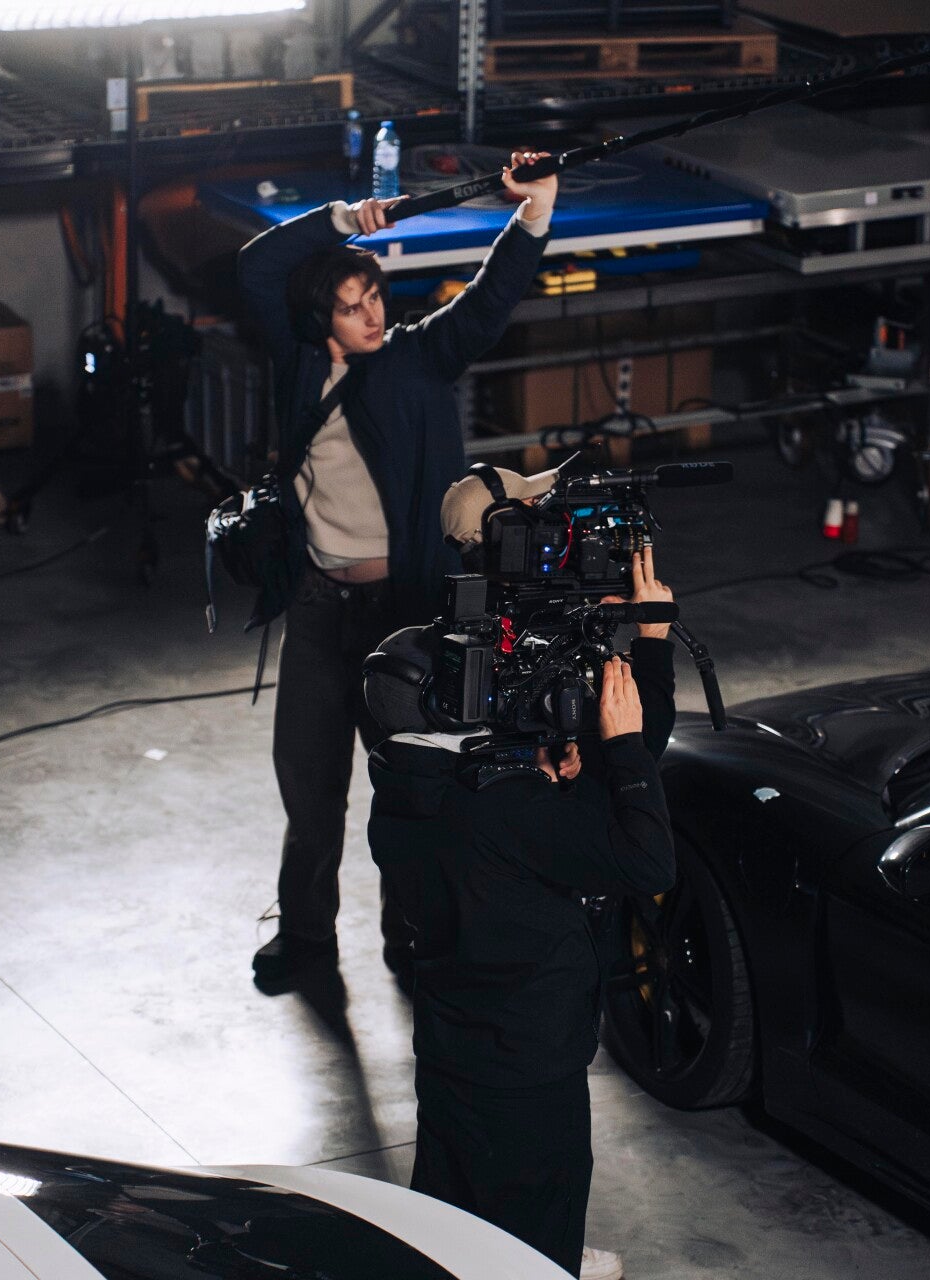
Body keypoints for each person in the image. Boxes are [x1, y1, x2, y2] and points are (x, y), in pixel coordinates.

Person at [236, 152, 559, 986]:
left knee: (413, 788)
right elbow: (258, 265)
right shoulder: (298, 365)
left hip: (405, 614)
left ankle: (411, 936)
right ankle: (306, 936)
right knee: (311, 792)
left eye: (373, 296)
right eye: (349, 307)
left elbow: (487, 301)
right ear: (320, 320)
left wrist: (532, 213)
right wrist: (346, 219)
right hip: (318, 607)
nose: (370, 315)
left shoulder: (417, 359)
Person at [364, 547, 679, 1280]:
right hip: (529, 1054)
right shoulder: (509, 811)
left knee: (450, 1201)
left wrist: (543, 774)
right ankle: (544, 1262)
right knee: (541, 1200)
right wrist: (626, 738)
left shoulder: (401, 788)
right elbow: (647, 862)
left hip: (452, 1041)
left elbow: (530, 826)